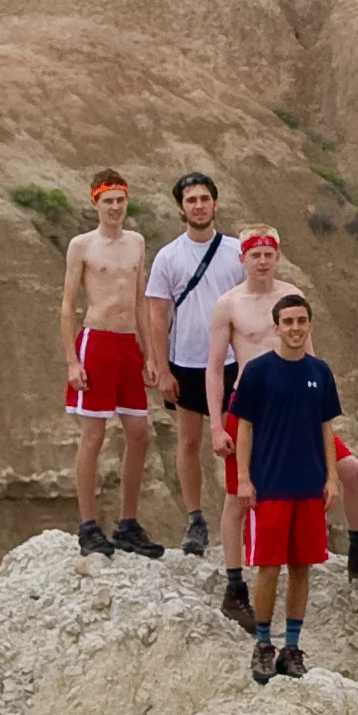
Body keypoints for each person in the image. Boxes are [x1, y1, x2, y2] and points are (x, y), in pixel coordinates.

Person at [209, 228, 358, 594]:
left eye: (268, 254)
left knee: (352, 472)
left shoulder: (292, 297)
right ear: (242, 258)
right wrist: (215, 425)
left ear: (277, 257)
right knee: (237, 497)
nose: (261, 261)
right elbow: (213, 367)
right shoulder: (229, 304)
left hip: (297, 409)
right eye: (254, 254)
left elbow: (311, 356)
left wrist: (320, 405)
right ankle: (234, 584)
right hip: (250, 412)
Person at [228, 290, 345, 683]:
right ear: (276, 328)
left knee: (301, 567)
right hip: (270, 486)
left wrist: (331, 477)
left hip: (309, 485)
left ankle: (291, 648)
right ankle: (263, 645)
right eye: (288, 322)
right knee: (268, 568)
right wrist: (243, 478)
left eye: (301, 321)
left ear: (309, 325)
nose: (295, 328)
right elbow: (244, 426)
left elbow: (327, 427)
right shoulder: (259, 372)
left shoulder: (320, 372)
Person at [57, 170, 160, 557]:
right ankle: (87, 525)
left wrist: (150, 354)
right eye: (108, 201)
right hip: (96, 342)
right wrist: (72, 360)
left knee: (139, 434)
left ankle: (128, 523)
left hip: (127, 344)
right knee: (94, 436)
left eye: (120, 200)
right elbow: (68, 305)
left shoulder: (136, 242)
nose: (115, 208)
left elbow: (140, 302)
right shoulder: (82, 245)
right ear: (95, 204)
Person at [139, 173, 240, 555]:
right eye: (191, 199)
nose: (198, 205)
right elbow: (156, 316)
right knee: (190, 439)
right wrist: (161, 368)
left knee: (241, 435)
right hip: (187, 360)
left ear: (215, 203)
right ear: (181, 208)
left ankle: (245, 508)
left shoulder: (235, 252)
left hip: (232, 360)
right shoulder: (169, 256)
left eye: (204, 198)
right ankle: (195, 517)